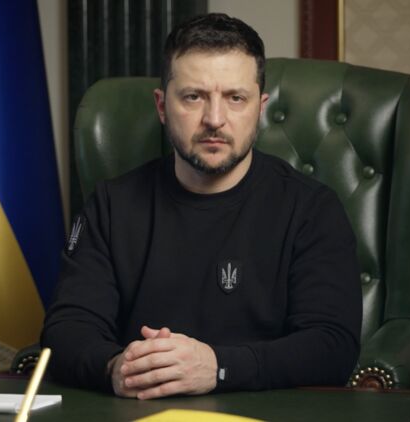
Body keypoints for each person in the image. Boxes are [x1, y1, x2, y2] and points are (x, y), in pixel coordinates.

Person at [41, 13, 362, 400]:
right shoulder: (111, 205)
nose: (214, 119)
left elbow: (333, 346)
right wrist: (115, 367)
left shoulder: (312, 209)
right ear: (162, 106)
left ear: (260, 108)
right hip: (139, 411)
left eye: (235, 98)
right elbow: (66, 328)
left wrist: (218, 367)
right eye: (193, 97)